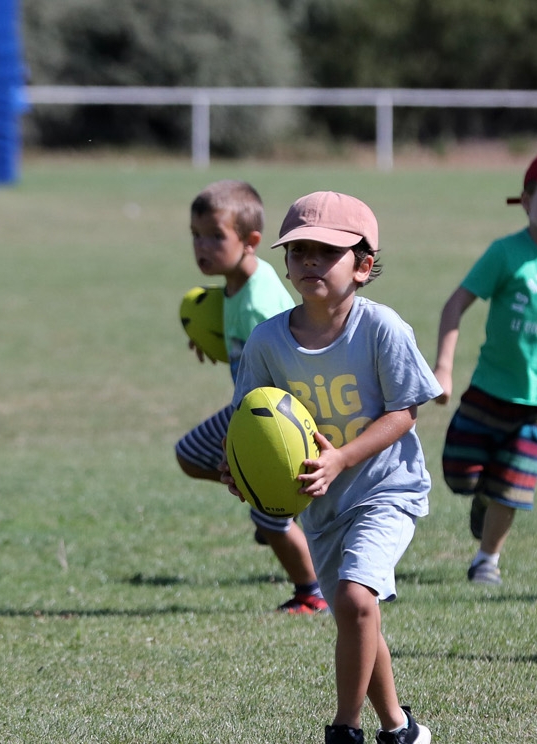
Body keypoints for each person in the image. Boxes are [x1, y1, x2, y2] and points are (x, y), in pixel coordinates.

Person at [223, 192, 437, 744]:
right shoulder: (269, 340)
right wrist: (238, 468)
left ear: (363, 267)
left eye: (327, 251)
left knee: (354, 598)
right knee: (355, 615)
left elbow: (405, 411)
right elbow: (251, 419)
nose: (311, 261)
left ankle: (345, 729)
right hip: (320, 505)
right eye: (299, 251)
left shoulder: (382, 328)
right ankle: (400, 728)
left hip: (385, 489)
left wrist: (341, 456)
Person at [431, 146, 537, 586]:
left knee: (515, 489)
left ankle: (487, 559)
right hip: (489, 390)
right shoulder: (505, 254)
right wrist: (443, 368)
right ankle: (481, 499)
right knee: (459, 477)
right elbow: (456, 305)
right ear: (526, 200)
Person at [172, 180, 326, 615]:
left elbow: (293, 357)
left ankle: (313, 593)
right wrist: (213, 336)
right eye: (195, 235)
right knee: (190, 455)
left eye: (215, 236)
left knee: (270, 514)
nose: (202, 246)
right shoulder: (234, 285)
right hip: (249, 408)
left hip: (275, 417)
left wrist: (277, 449)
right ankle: (276, 509)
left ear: (251, 242)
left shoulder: (261, 301)